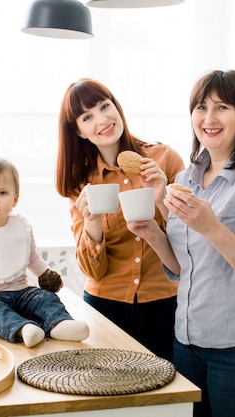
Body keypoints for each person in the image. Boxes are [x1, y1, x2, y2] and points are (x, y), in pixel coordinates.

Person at [128, 69, 235, 417]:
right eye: (201, 107)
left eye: (222, 108)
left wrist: (212, 227)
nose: (209, 118)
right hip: (188, 338)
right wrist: (153, 234)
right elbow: (182, 268)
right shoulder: (185, 178)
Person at [55, 78, 185, 360]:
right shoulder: (81, 182)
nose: (102, 119)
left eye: (105, 106)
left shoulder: (164, 159)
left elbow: (190, 245)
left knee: (166, 398)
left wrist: (161, 197)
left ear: (116, 106)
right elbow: (93, 273)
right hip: (105, 307)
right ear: (78, 131)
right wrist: (91, 223)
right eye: (87, 117)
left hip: (165, 304)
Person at [0, 157, 89, 348]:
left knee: (45, 298)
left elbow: (31, 257)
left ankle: (59, 324)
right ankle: (24, 329)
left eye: (2, 192)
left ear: (15, 198)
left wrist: (46, 274)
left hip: (22, 292)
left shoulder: (21, 227)